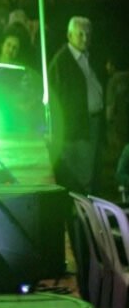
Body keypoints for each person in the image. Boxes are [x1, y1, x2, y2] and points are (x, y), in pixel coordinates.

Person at [48, 16, 105, 194]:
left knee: (93, 173)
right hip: (77, 129)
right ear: (69, 35)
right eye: (80, 34)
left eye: (88, 34)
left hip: (94, 123)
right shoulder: (61, 62)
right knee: (80, 176)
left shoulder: (90, 57)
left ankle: (91, 213)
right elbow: (53, 97)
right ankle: (82, 216)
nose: (85, 38)